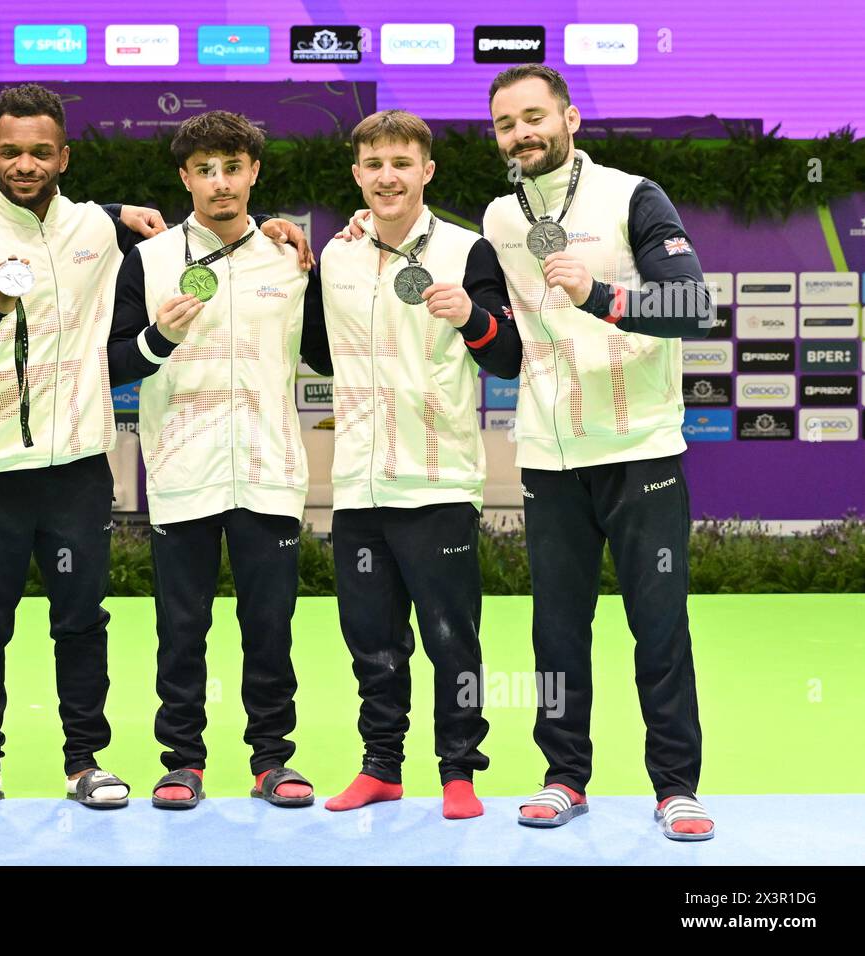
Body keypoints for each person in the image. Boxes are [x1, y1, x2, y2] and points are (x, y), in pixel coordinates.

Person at [0, 87, 311, 812]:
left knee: (82, 622)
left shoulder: (100, 230)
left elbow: (119, 229)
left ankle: (84, 761)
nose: (26, 164)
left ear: (64, 157)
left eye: (41, 151)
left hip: (78, 468)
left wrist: (300, 238)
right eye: (11, 151)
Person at [482, 65, 714, 840]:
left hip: (642, 450)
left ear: (570, 118)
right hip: (550, 458)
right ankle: (562, 777)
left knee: (659, 624)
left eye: (535, 116)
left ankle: (676, 786)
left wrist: (602, 296)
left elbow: (694, 304)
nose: (523, 133)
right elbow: (506, 346)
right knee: (555, 632)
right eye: (508, 123)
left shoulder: (631, 195)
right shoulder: (498, 219)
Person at [107, 110, 332, 810]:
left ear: (254, 173)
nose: (220, 183)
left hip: (270, 471)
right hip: (181, 472)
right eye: (205, 169)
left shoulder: (289, 260)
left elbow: (326, 352)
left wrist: (330, 259)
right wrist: (157, 336)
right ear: (184, 177)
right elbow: (114, 362)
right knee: (182, 629)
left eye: (232, 167)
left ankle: (272, 761)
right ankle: (183, 762)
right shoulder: (146, 262)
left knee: (270, 627)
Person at [320, 110, 520, 818]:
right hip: (357, 485)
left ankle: (460, 771)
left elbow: (506, 356)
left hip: (438, 480)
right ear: (357, 175)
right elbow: (319, 351)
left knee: (450, 637)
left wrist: (471, 315)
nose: (388, 177)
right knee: (371, 640)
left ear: (426, 171)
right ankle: (381, 767)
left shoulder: (469, 251)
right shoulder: (336, 254)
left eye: (402, 163)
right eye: (374, 165)